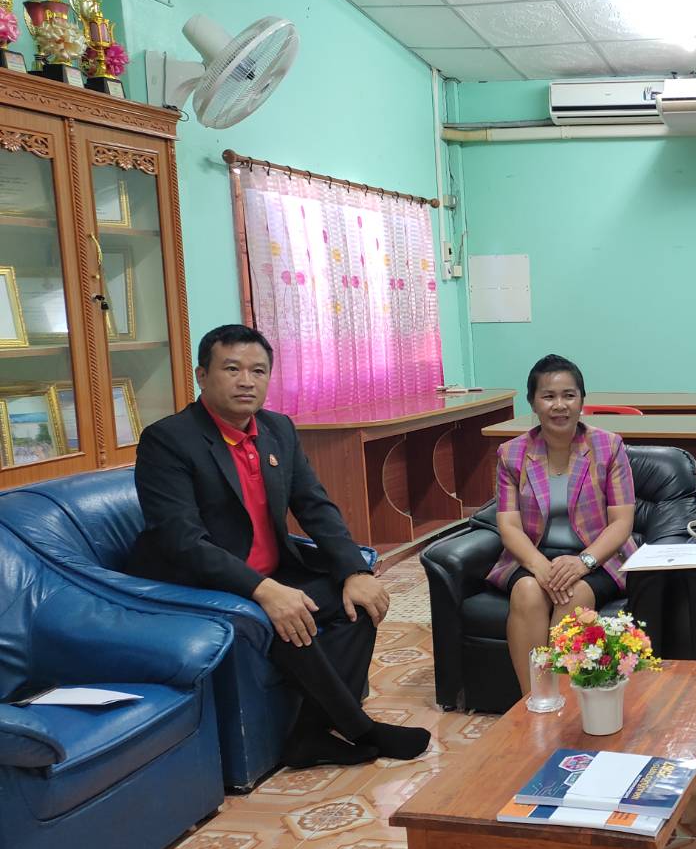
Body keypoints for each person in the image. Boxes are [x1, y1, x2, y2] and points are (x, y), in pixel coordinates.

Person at [128, 324, 430, 769]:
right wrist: (264, 590)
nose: (246, 381)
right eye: (232, 369)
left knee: (359, 603)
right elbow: (183, 541)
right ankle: (360, 729)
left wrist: (354, 571)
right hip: (202, 582)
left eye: (258, 371)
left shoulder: (278, 429)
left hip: (273, 570)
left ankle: (309, 736)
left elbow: (315, 505)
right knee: (287, 615)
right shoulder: (168, 440)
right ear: (202, 375)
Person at [489, 354, 637, 694]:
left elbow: (621, 522)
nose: (559, 405)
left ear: (582, 400)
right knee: (526, 592)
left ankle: (566, 705)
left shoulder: (608, 446)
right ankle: (536, 702)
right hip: (536, 553)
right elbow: (508, 525)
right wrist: (539, 566)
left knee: (574, 595)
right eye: (548, 396)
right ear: (533, 402)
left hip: (597, 554)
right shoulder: (511, 453)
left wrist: (583, 562)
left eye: (569, 395)